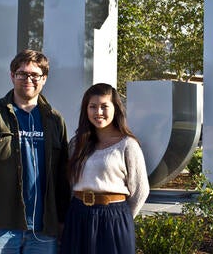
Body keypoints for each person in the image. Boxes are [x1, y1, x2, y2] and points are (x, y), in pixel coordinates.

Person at [0, 49, 70, 253]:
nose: (28, 79)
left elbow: (62, 176)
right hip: (0, 226)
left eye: (35, 75)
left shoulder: (55, 119)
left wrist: (62, 219)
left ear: (44, 79)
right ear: (12, 76)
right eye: (22, 73)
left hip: (44, 228)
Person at [61, 83, 149, 254]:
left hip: (114, 218)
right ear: (86, 110)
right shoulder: (76, 144)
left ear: (115, 109)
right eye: (92, 107)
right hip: (78, 216)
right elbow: (70, 183)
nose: (98, 112)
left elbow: (140, 190)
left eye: (104, 106)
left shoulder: (128, 145)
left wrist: (121, 217)